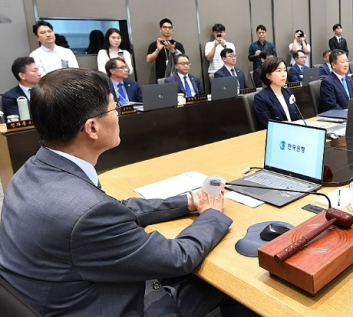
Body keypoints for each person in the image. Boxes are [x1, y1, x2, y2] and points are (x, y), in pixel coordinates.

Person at [0, 68, 257, 316]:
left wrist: (188, 201)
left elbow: (115, 207)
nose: (119, 115)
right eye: (115, 109)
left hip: (64, 294)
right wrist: (211, 213)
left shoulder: (32, 170)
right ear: (91, 128)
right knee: (234, 283)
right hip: (110, 305)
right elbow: (177, 257)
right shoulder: (88, 213)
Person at [253, 57, 301, 130]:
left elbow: (297, 116)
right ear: (268, 76)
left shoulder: (288, 92)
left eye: (285, 70)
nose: (283, 74)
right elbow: (268, 125)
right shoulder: (261, 98)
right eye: (279, 71)